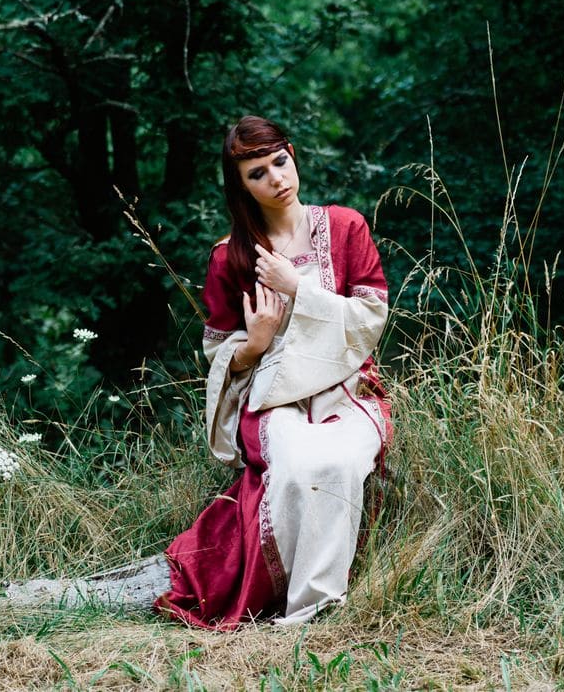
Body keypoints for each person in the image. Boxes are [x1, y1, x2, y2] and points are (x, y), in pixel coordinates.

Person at [155, 115, 393, 629]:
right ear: (240, 186)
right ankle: (296, 603)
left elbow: (372, 320)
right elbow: (218, 352)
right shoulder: (231, 257)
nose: (276, 179)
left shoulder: (346, 227)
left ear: (293, 155)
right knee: (299, 467)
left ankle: (316, 606)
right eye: (257, 174)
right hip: (273, 399)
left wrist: (297, 289)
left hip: (346, 391)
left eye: (279, 162)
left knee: (341, 464)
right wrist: (255, 343)